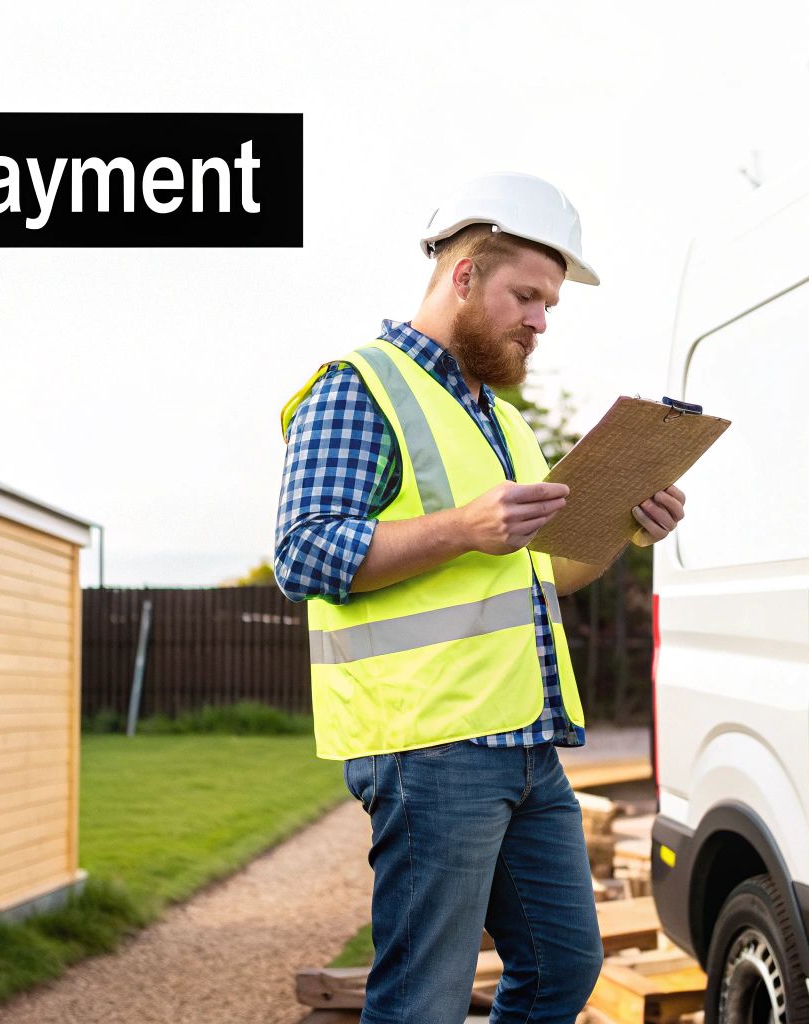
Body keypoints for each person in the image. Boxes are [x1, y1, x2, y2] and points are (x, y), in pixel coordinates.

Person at [272, 171, 687, 1023]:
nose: (540, 321)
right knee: (421, 998)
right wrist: (462, 527)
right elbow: (302, 552)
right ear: (464, 276)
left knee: (562, 970)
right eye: (526, 297)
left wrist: (628, 528)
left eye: (550, 307)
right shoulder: (361, 386)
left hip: (525, 743)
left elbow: (541, 572)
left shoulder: (502, 420)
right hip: (430, 747)